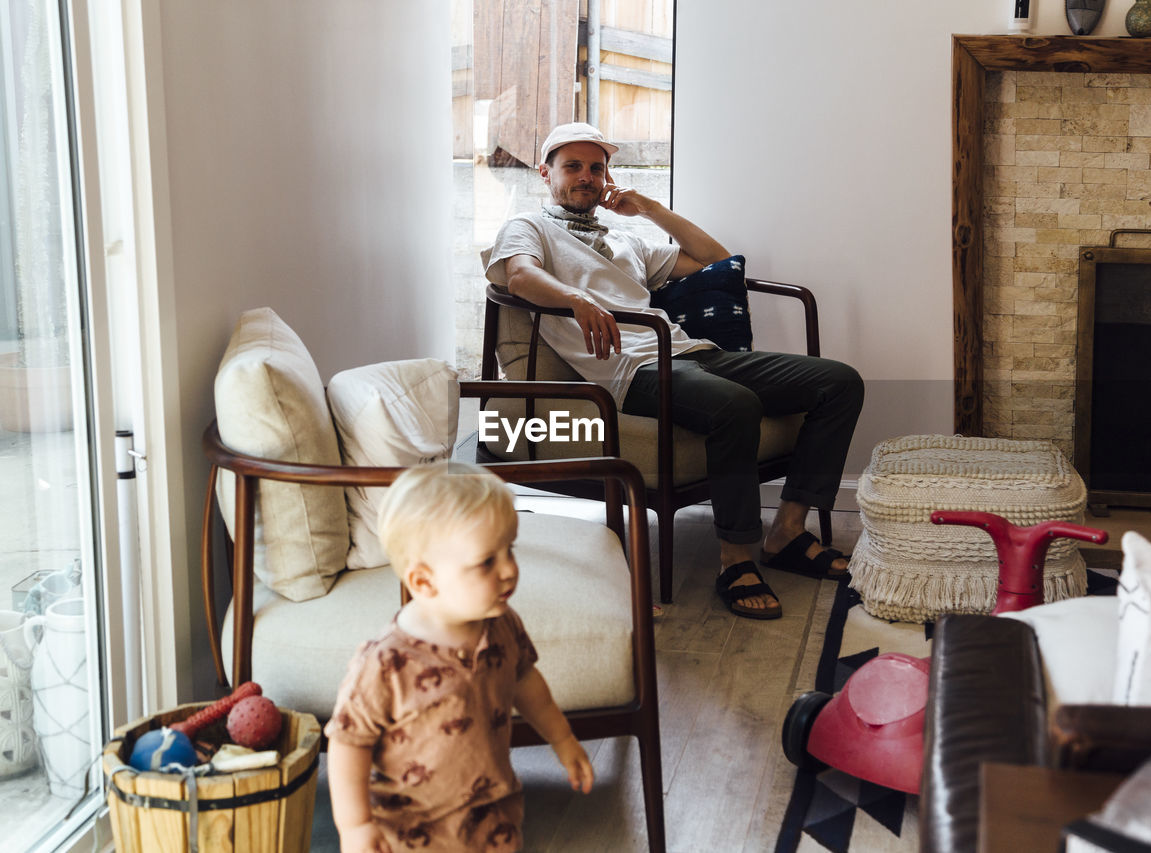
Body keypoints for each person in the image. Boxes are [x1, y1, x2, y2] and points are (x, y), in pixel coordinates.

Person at [481, 122, 864, 620]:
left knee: (838, 382)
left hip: (691, 351)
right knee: (735, 405)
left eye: (596, 168)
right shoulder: (530, 227)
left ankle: (787, 531)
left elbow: (717, 260)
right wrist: (574, 297)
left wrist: (650, 210)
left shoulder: (625, 240)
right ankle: (735, 560)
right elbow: (520, 275)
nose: (586, 177)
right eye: (572, 166)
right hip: (629, 370)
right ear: (546, 173)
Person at [324, 462, 593, 853]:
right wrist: (356, 825)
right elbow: (349, 742)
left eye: (510, 550)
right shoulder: (385, 664)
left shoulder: (502, 625)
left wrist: (563, 738)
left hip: (493, 821)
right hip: (409, 834)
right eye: (487, 561)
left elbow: (526, 682)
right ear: (423, 581)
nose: (509, 570)